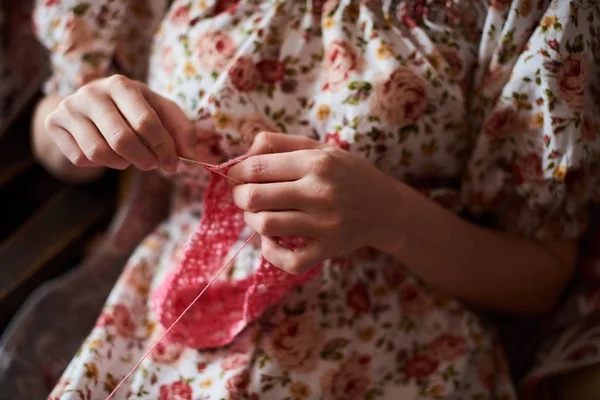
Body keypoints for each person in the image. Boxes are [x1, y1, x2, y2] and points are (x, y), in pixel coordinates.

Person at [33, 0, 598, 399]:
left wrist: (393, 217)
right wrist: (73, 123)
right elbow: (55, 130)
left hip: (400, 357)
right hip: (163, 327)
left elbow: (542, 277)